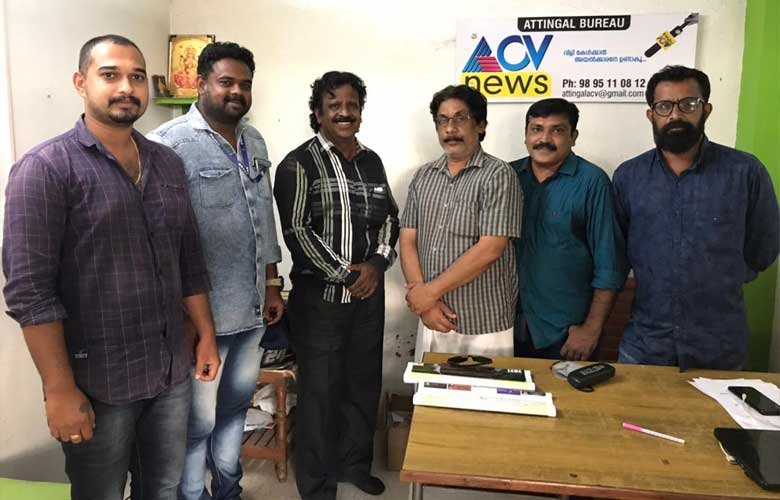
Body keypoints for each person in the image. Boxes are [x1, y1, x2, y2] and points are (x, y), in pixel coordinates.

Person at [2, 35, 219, 500]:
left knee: (163, 487)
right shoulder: (45, 169)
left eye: (136, 76)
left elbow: (188, 256)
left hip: (169, 369)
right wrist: (59, 390)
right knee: (100, 493)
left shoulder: (166, 163)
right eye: (110, 75)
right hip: (98, 379)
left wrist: (205, 333)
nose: (126, 87)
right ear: (80, 83)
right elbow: (29, 292)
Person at [148, 42, 284, 500]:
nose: (237, 92)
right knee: (198, 422)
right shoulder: (169, 144)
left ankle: (229, 489)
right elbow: (162, 239)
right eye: (226, 82)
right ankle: (191, 494)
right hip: (204, 318)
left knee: (235, 410)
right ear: (201, 83)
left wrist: (272, 283)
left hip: (251, 310)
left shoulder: (255, 140)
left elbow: (264, 218)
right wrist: (184, 317)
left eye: (245, 84)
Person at [273, 71, 399, 500]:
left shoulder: (372, 161)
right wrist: (348, 274)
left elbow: (389, 219)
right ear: (318, 113)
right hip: (321, 300)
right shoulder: (298, 163)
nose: (345, 113)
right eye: (334, 106)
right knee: (320, 393)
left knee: (362, 384)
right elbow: (297, 232)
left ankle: (354, 466)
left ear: (360, 112)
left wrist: (377, 264)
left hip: (368, 298)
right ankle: (317, 483)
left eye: (352, 105)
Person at [612, 65, 780, 370]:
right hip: (646, 345)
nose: (675, 115)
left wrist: (720, 277)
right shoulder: (629, 176)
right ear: (651, 114)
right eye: (664, 106)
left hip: (720, 347)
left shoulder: (745, 172)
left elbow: (764, 249)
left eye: (688, 104)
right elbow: (618, 251)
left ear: (706, 109)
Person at [400, 84, 522, 361]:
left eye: (460, 118)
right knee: (432, 387)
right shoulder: (423, 176)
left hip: (484, 320)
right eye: (442, 120)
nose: (450, 129)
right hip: (433, 316)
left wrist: (427, 294)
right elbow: (408, 240)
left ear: (480, 125)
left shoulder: (498, 174)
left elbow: (491, 248)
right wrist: (424, 302)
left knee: (484, 389)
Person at [509, 98, 627, 360]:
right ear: (526, 135)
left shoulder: (592, 182)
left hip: (566, 333)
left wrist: (591, 329)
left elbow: (609, 264)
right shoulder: (507, 176)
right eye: (536, 129)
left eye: (557, 130)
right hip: (506, 327)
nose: (544, 139)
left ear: (573, 137)